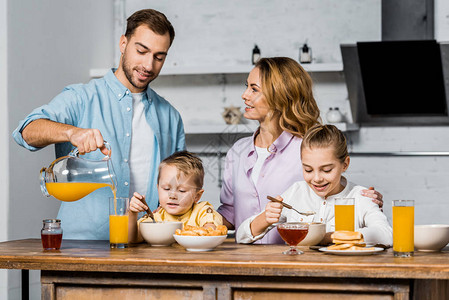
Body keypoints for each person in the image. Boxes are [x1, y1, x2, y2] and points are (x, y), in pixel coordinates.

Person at [12, 9, 185, 240]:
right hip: (82, 249)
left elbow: (180, 186)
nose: (148, 64)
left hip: (147, 249)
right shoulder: (82, 98)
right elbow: (26, 131)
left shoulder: (171, 117)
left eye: (159, 57)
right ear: (123, 43)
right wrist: (71, 132)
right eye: (141, 51)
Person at [217, 57, 383, 244]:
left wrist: (366, 202)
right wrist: (201, 221)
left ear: (279, 95)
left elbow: (333, 191)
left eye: (254, 89)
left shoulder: (308, 149)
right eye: (246, 86)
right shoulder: (237, 150)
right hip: (244, 262)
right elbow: (230, 211)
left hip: (294, 261)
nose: (244, 95)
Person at [236, 124, 393, 246]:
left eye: (326, 170)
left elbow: (386, 235)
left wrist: (328, 237)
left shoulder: (360, 196)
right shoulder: (296, 192)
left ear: (345, 164)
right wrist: (265, 218)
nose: (316, 178)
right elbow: (241, 236)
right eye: (308, 169)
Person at [128, 151, 223, 243]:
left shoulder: (201, 211)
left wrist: (207, 229)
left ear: (197, 196)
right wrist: (132, 213)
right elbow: (132, 239)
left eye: (181, 190)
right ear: (158, 189)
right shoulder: (156, 218)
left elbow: (211, 228)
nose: (172, 196)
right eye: (166, 189)